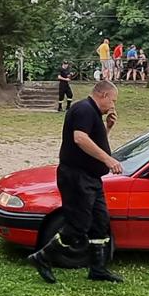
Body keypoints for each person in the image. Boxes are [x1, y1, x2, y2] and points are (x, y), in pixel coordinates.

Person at [28, 79, 123, 284]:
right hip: (76, 177)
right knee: (77, 225)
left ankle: (98, 268)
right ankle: (43, 257)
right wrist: (108, 159)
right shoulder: (84, 109)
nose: (113, 105)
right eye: (113, 100)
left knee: (100, 221)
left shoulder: (95, 114)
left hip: (91, 178)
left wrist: (108, 127)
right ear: (103, 95)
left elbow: (93, 143)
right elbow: (80, 139)